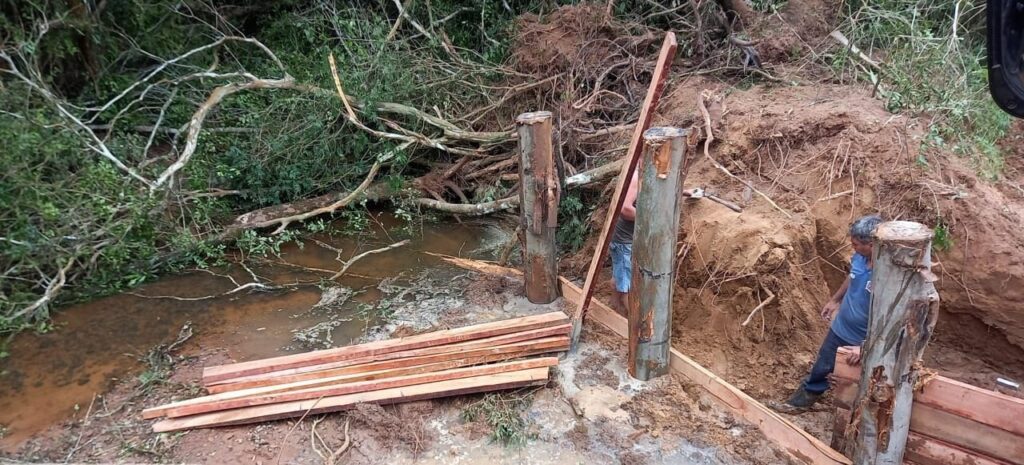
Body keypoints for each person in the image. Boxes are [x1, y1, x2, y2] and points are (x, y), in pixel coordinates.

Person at [778, 214, 883, 411]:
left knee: (857, 382)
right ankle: (801, 402)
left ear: (871, 244)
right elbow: (853, 277)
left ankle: (851, 415)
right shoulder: (860, 258)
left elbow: (892, 320)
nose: (853, 248)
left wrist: (865, 347)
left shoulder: (887, 275)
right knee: (823, 365)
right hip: (841, 328)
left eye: (856, 244)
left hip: (861, 340)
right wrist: (836, 300)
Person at [609, 171, 639, 315]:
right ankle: (635, 324)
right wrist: (650, 219)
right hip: (623, 241)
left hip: (622, 239)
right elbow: (626, 209)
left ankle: (615, 309)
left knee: (619, 275)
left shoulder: (648, 174)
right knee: (627, 285)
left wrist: (684, 192)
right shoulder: (636, 177)